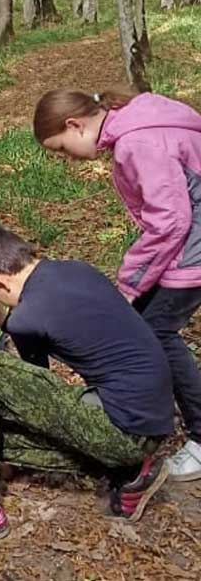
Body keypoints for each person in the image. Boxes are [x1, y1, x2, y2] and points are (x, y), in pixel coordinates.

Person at [0, 227, 173, 539]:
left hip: (124, 432)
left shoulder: (28, 316)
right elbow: (37, 378)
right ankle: (131, 471)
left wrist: (5, 321)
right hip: (151, 415)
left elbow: (34, 373)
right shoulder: (76, 270)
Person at [33, 87, 201, 482]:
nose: (66, 159)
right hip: (190, 242)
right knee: (145, 324)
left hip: (194, 249)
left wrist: (128, 284)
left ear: (74, 125)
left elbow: (170, 221)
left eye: (61, 148)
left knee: (156, 332)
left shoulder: (136, 143)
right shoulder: (138, 118)